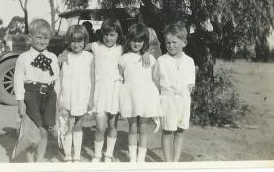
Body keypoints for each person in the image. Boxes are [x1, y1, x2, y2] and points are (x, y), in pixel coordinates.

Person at [59, 18, 125, 162]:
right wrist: (65, 52)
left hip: (114, 91)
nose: (108, 38)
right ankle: (97, 154)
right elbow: (76, 44)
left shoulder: (121, 49)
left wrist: (145, 53)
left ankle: (108, 154)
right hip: (100, 92)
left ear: (118, 35)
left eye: (112, 35)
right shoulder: (95, 46)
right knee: (100, 127)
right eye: (106, 34)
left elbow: (137, 51)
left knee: (113, 125)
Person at [12, 18, 60, 162]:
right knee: (32, 132)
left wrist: (57, 99)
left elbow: (57, 79)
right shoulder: (23, 58)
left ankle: (39, 162)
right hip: (31, 96)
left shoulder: (52, 57)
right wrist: (20, 101)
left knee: (44, 132)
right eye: (39, 37)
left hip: (49, 97)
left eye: (46, 38)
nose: (42, 41)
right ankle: (29, 161)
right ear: (30, 37)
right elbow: (18, 80)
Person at [118, 23, 163, 162]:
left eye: (140, 41)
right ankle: (132, 159)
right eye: (133, 40)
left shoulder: (150, 58)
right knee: (132, 127)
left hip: (145, 98)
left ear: (144, 42)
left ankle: (140, 159)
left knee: (143, 128)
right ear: (128, 40)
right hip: (130, 96)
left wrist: (147, 53)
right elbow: (120, 78)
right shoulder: (123, 58)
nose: (136, 44)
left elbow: (155, 79)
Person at [153, 21, 196, 162]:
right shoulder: (161, 60)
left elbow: (190, 83)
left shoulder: (189, 61)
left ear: (184, 42)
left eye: (175, 42)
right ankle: (168, 163)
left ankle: (175, 162)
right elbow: (156, 81)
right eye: (168, 43)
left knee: (180, 131)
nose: (171, 46)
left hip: (182, 101)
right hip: (167, 101)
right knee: (167, 131)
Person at [58, 25, 95, 162]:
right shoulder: (64, 57)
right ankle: (68, 155)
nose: (76, 44)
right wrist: (58, 98)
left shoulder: (89, 57)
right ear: (69, 41)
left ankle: (77, 156)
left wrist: (91, 98)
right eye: (73, 41)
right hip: (67, 95)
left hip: (81, 96)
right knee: (67, 124)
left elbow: (92, 78)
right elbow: (60, 78)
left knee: (78, 126)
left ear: (85, 41)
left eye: (79, 41)